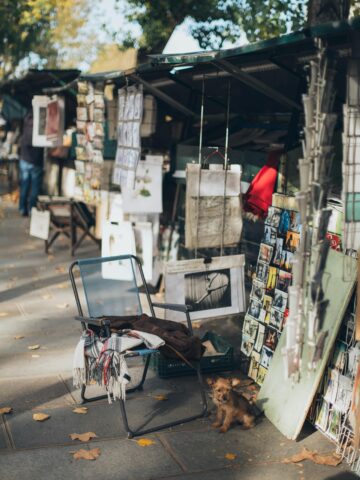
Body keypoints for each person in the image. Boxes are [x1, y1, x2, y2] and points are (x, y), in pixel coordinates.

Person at [19, 112, 44, 216]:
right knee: (34, 188)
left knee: (24, 186)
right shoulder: (39, 131)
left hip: (24, 161)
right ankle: (31, 209)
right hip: (35, 163)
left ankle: (22, 208)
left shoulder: (25, 130)